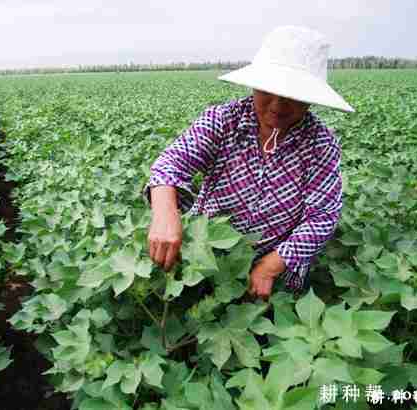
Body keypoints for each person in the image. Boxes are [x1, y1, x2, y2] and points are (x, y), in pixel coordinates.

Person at [144, 26, 355, 300]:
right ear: (254, 84)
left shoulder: (321, 145)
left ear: (311, 100)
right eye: (269, 90)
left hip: (275, 270)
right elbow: (172, 162)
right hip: (205, 254)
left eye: (293, 95)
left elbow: (322, 216)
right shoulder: (223, 120)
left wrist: (270, 266)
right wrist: (165, 214)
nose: (278, 105)